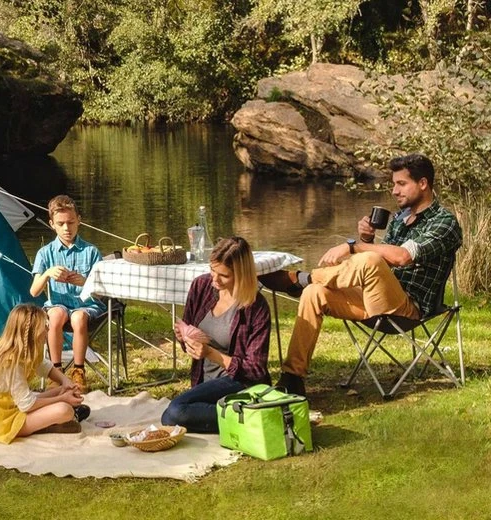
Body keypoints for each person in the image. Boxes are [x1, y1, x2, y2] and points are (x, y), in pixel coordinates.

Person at [258, 154, 463, 396]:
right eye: (393, 184)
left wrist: (354, 246)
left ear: (423, 183)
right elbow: (384, 263)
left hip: (409, 308)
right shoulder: (399, 219)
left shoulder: (444, 222)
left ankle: (301, 279)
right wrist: (367, 238)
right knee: (314, 293)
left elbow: (402, 257)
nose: (394, 191)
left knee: (369, 259)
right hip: (375, 299)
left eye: (401, 184)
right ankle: (292, 378)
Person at [161, 237, 272, 433]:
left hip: (238, 381)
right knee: (171, 415)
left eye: (224, 275)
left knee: (175, 412)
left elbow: (255, 370)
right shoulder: (201, 286)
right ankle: (247, 416)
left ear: (241, 274)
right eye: (212, 270)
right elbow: (189, 344)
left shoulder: (256, 307)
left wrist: (210, 354)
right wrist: (184, 337)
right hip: (205, 379)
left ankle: (248, 416)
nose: (215, 279)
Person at [0, 303, 91, 444]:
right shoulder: (10, 363)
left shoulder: (24, 350)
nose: (48, 329)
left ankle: (53, 418)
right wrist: (63, 399)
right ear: (32, 334)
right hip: (5, 422)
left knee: (60, 390)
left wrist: (66, 382)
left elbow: (46, 367)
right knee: (64, 409)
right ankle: (53, 422)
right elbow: (27, 405)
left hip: (14, 405)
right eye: (44, 326)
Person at [30, 195, 107, 391]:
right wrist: (47, 274)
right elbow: (34, 291)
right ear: (52, 224)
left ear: (79, 221)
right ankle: (55, 372)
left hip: (87, 306)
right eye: (61, 223)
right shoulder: (45, 253)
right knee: (55, 315)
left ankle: (79, 371)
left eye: (71, 222)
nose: (66, 228)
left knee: (78, 317)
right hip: (59, 305)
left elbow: (103, 292)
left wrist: (86, 283)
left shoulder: (91, 251)